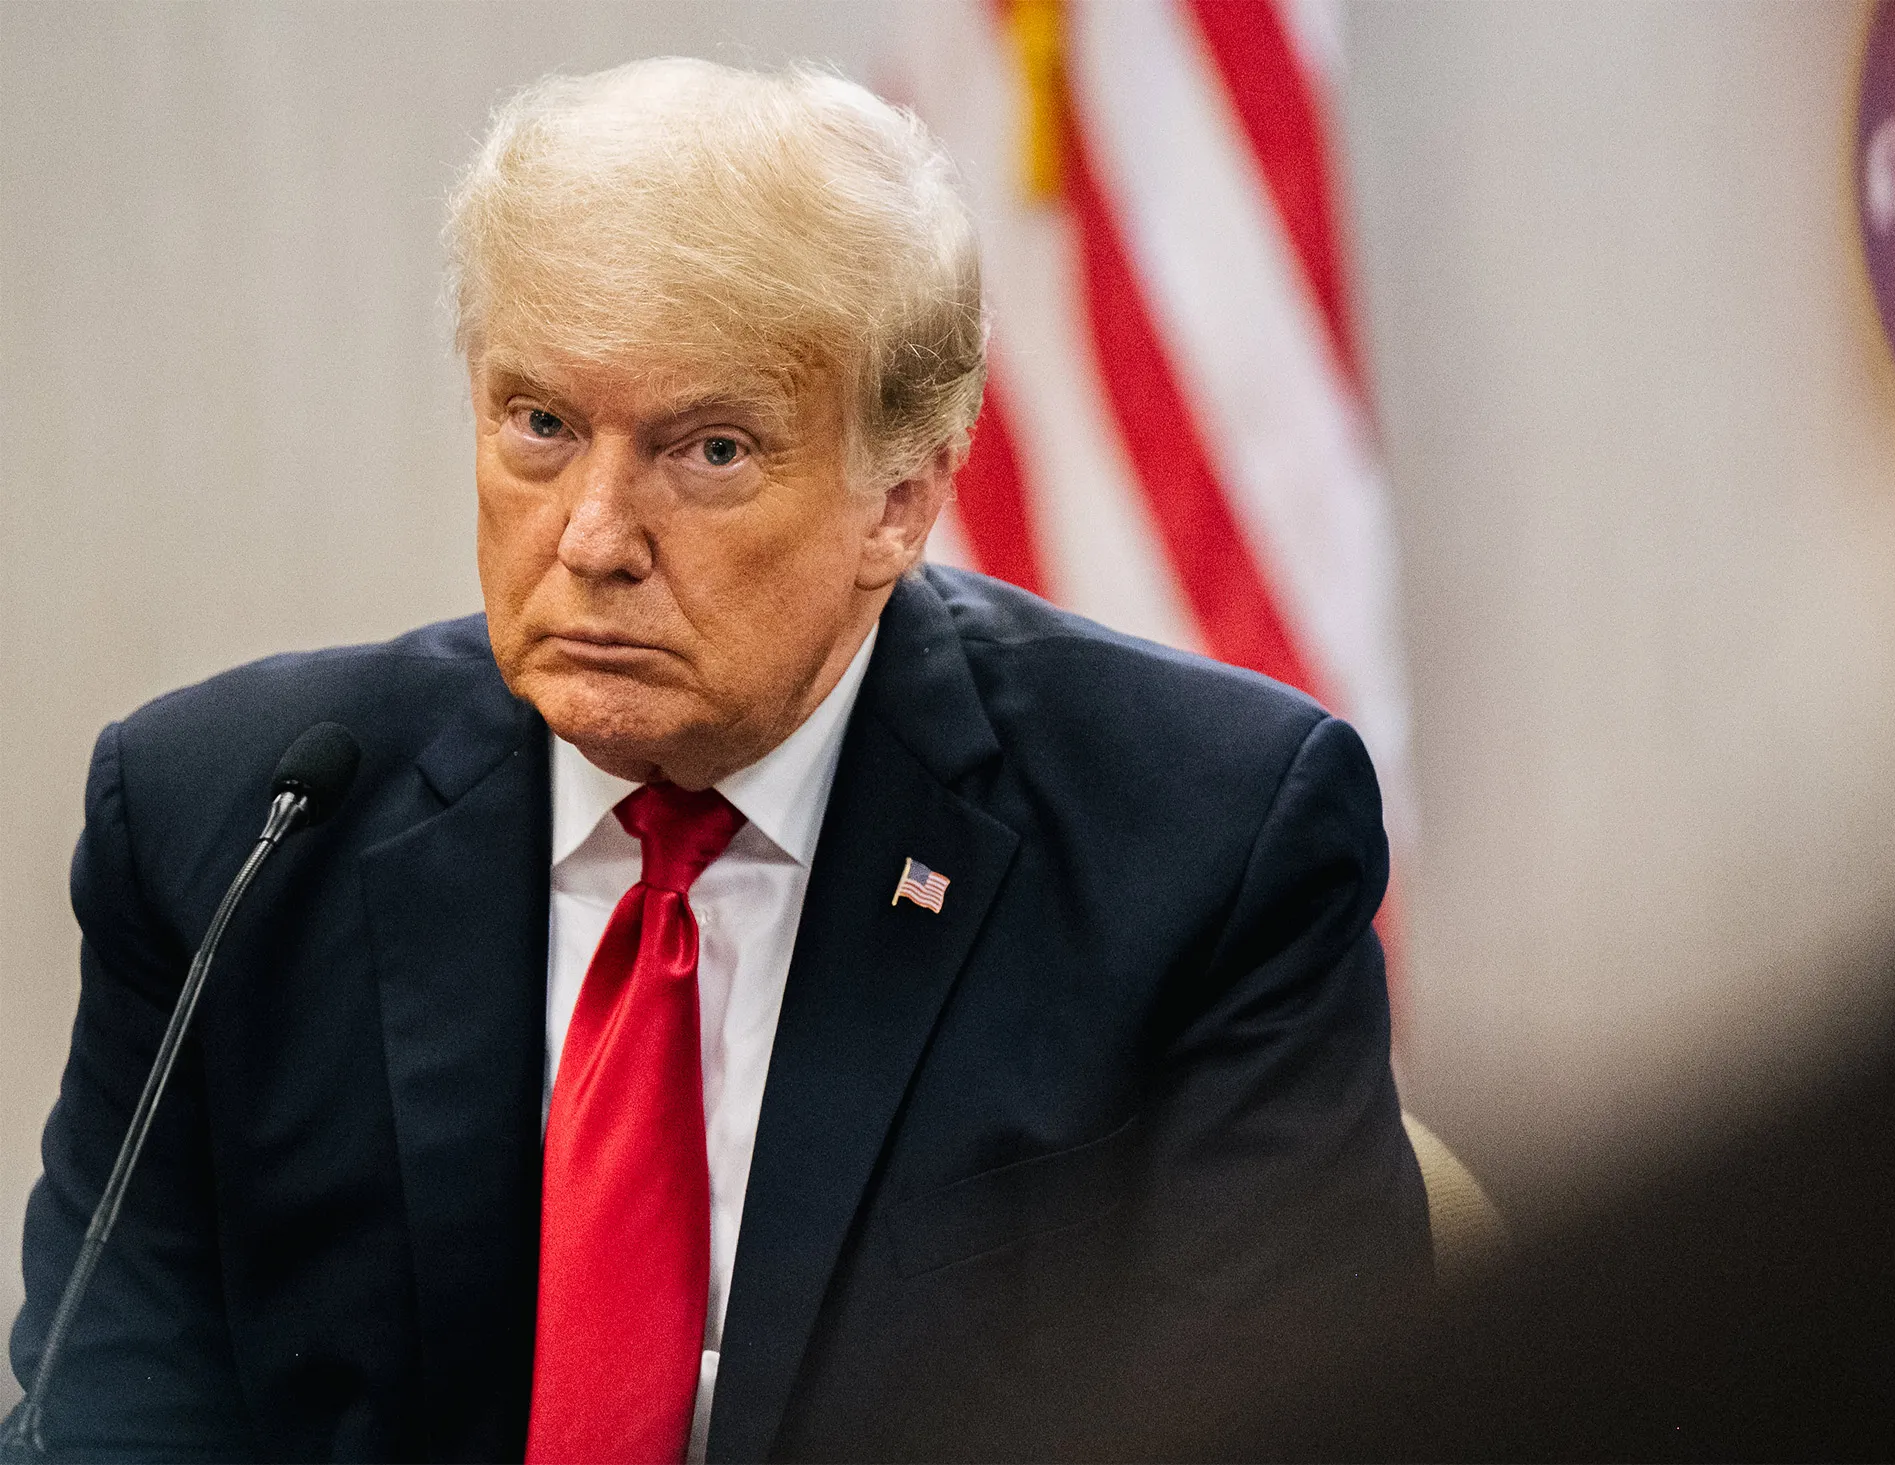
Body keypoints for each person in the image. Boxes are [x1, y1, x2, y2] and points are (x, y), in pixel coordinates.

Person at [8, 60, 1427, 1463]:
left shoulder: (1204, 841)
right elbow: (108, 1416)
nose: (593, 536)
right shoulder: (240, 828)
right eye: (541, 426)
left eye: (712, 449)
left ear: (902, 502)